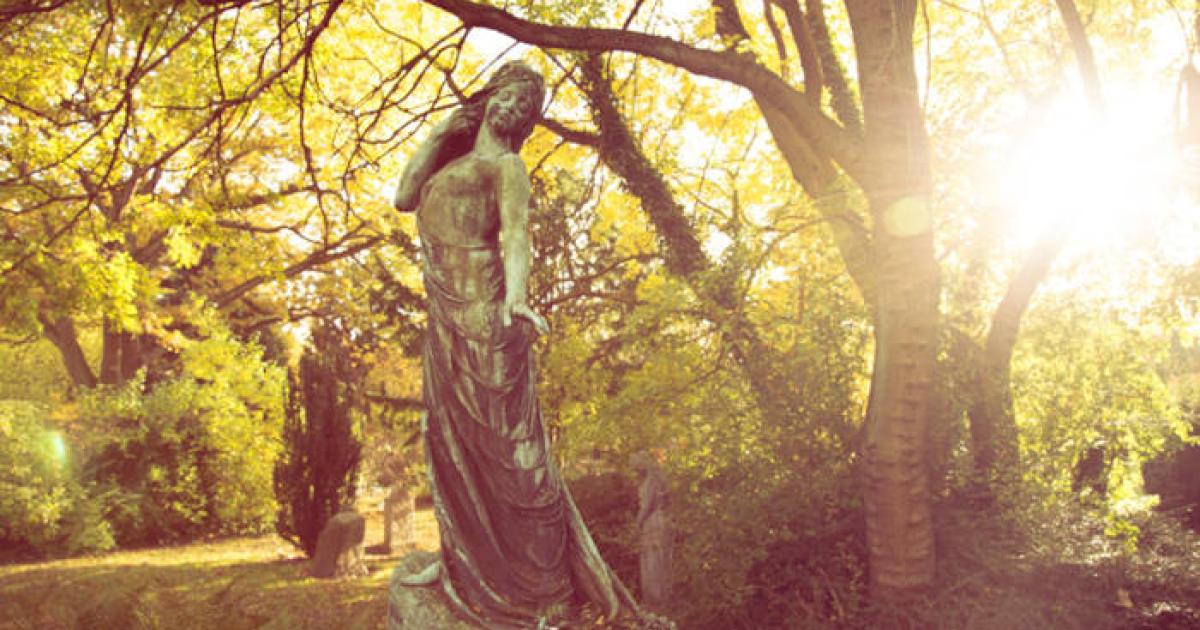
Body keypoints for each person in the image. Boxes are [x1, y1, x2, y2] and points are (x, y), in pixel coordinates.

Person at [391, 61, 635, 629]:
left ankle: (544, 589)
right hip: (447, 321)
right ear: (490, 98)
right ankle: (462, 566)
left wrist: (518, 298)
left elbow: (518, 234)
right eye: (510, 97)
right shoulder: (452, 161)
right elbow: (403, 196)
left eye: (527, 107)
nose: (515, 111)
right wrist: (438, 132)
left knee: (511, 457)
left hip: (487, 316)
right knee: (452, 446)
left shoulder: (509, 166)